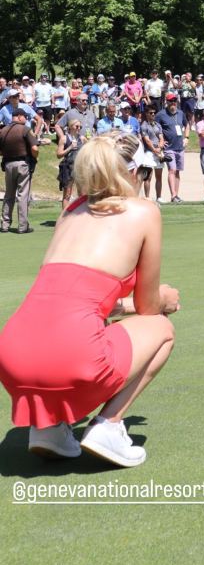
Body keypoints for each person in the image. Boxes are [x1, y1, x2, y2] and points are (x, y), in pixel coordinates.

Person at [0, 132, 179, 466]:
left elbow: (82, 301)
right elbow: (149, 308)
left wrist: (124, 307)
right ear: (131, 172)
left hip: (12, 356)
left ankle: (48, 428)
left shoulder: (71, 211)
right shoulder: (144, 212)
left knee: (87, 327)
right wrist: (165, 297)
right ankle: (108, 425)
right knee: (161, 328)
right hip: (73, 356)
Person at [0, 106, 39, 233]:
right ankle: (22, 226)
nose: (26, 119)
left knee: (9, 195)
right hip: (23, 164)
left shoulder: (3, 130)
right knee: (23, 195)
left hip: (8, 165)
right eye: (25, 117)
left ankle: (5, 224)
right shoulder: (25, 129)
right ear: (20, 116)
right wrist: (34, 157)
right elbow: (35, 149)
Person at [156, 94, 189, 204]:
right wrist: (160, 141)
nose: (173, 103)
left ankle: (176, 195)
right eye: (171, 101)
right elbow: (155, 128)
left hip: (180, 147)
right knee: (172, 170)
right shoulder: (161, 115)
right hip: (168, 148)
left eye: (174, 100)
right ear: (167, 102)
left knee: (178, 172)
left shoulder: (180, 113)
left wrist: (187, 137)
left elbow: (187, 124)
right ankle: (173, 195)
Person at [57, 118, 84, 209]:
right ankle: (64, 218)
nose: (79, 128)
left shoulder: (82, 138)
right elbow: (59, 154)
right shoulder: (64, 139)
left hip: (80, 168)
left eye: (80, 126)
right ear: (70, 127)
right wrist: (70, 148)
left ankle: (81, 216)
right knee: (67, 194)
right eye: (77, 126)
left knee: (82, 194)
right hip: (68, 168)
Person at [140, 107, 165, 203]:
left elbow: (161, 137)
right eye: (151, 113)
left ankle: (159, 197)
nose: (153, 115)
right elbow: (147, 140)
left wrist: (160, 147)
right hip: (149, 152)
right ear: (146, 114)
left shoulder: (157, 125)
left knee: (159, 176)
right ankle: (147, 197)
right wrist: (155, 150)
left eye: (154, 113)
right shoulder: (144, 125)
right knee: (148, 177)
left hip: (158, 151)